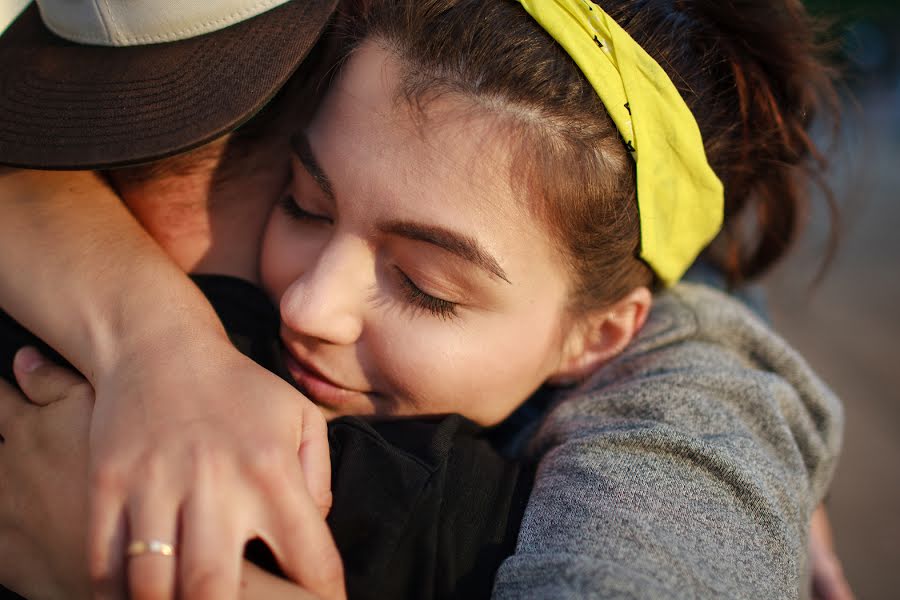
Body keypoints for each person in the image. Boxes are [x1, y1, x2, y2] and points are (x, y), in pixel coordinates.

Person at [0, 0, 849, 598]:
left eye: (424, 286)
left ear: (598, 338)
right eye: (303, 202)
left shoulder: (676, 429)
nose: (309, 308)